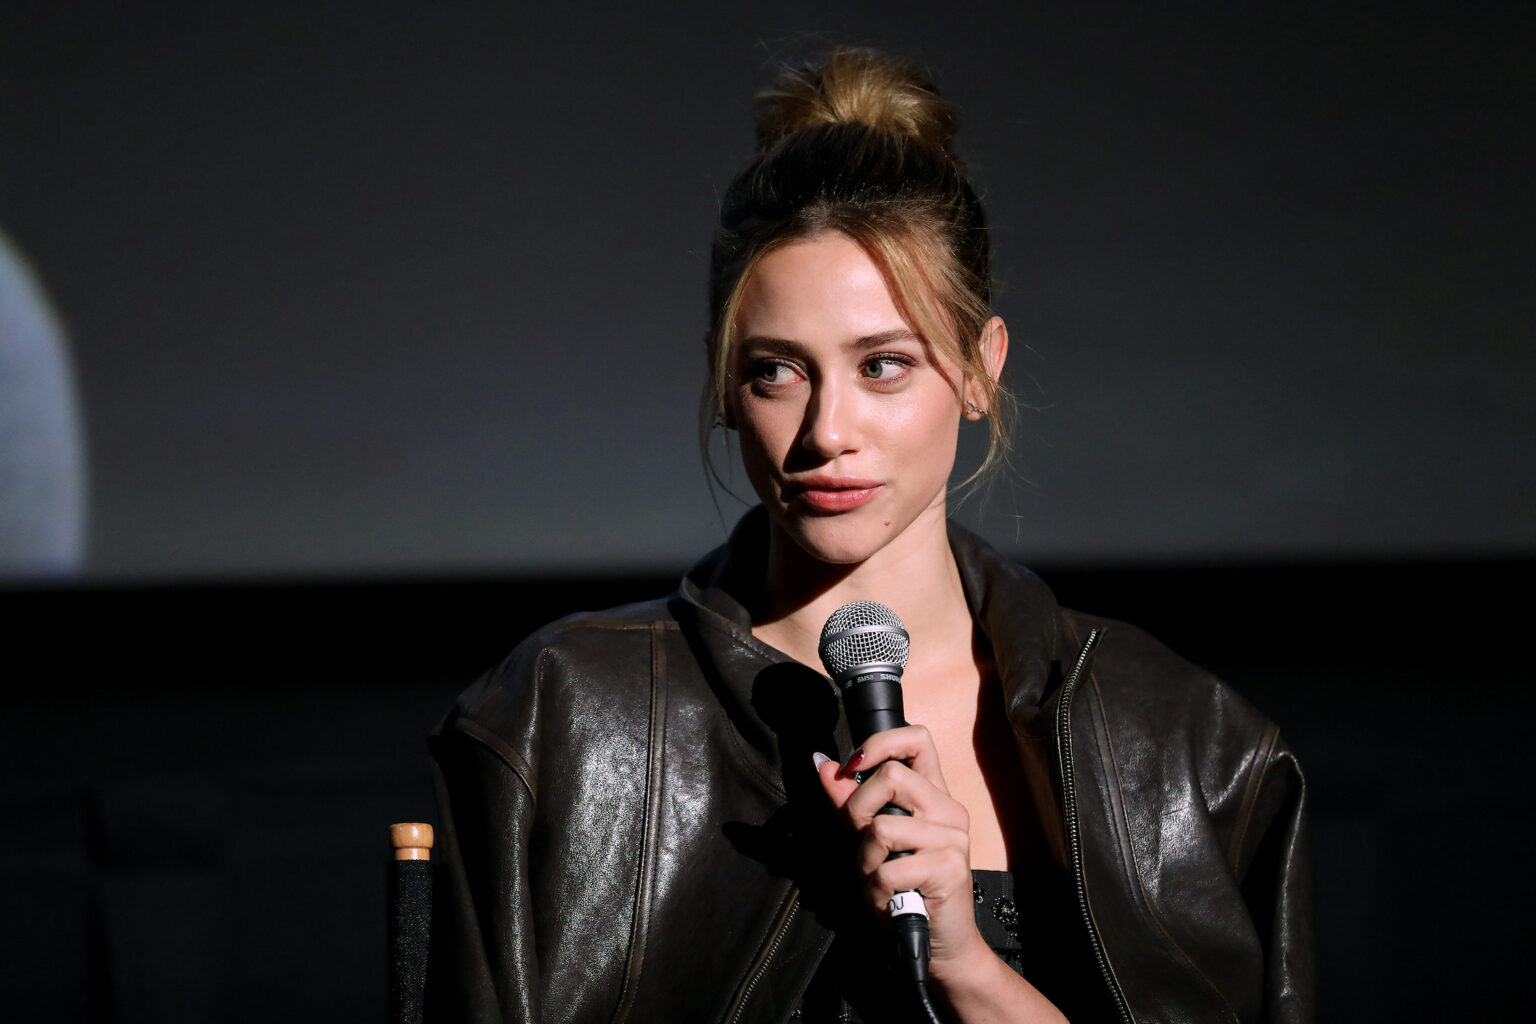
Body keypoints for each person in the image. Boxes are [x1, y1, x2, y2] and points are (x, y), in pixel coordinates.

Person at [425, 49, 1313, 1024]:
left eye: (884, 365)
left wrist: (969, 965)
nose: (826, 431)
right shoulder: (560, 721)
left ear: (981, 368)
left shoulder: (1192, 750)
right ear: (725, 384)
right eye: (776, 371)